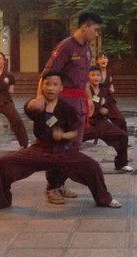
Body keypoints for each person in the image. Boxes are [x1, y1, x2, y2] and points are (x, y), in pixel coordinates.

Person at [0, 70, 121, 211]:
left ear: (61, 88)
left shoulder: (67, 109)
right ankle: (0, 201)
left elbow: (75, 131)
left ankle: (104, 198)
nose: (50, 88)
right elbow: (29, 107)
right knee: (5, 162)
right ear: (42, 86)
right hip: (40, 150)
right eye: (47, 84)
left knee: (92, 166)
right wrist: (33, 103)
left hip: (62, 151)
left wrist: (63, 136)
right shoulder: (38, 105)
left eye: (55, 84)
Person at [40, 11, 101, 204]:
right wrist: (42, 100)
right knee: (59, 145)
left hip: (80, 103)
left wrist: (90, 98)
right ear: (85, 26)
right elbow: (48, 73)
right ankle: (52, 187)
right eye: (96, 30)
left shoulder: (88, 49)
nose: (97, 34)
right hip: (64, 103)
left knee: (73, 145)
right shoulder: (66, 46)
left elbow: (83, 80)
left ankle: (61, 184)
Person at [85, 65, 133, 172]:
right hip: (88, 123)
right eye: (92, 75)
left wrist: (106, 110)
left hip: (102, 122)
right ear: (88, 77)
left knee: (122, 136)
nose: (96, 77)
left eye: (98, 75)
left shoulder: (104, 90)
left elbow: (110, 105)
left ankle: (121, 163)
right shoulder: (85, 90)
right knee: (72, 141)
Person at [95, 51, 127, 131]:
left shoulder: (109, 71)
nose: (103, 60)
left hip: (108, 99)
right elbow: (91, 90)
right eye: (100, 58)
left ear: (108, 60)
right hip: (97, 99)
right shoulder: (94, 72)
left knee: (121, 120)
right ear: (97, 61)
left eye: (105, 58)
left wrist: (111, 86)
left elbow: (110, 82)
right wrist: (98, 106)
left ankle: (122, 138)